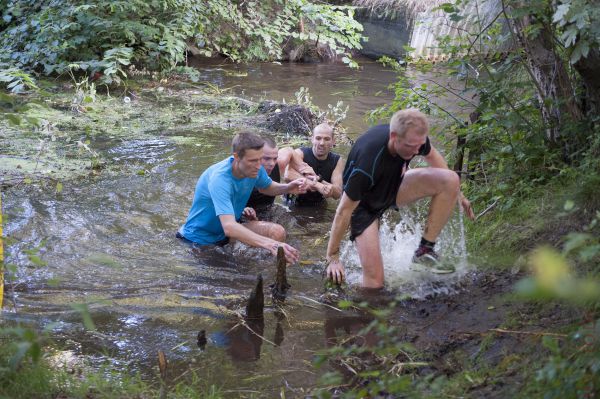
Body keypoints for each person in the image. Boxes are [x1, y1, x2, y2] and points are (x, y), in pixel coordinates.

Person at [325, 109, 475, 288]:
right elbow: (344, 211)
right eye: (411, 146)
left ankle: (424, 251)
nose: (416, 150)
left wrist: (459, 195)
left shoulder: (415, 138)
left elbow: (433, 156)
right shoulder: (367, 163)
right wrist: (332, 256)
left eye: (419, 145)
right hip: (363, 205)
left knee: (451, 180)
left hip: (394, 186)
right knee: (375, 284)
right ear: (394, 136)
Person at [178, 132, 308, 264]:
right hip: (199, 240)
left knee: (276, 232)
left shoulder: (255, 168)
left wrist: (288, 187)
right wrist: (271, 244)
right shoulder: (220, 179)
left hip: (226, 234)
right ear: (236, 157)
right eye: (253, 161)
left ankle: (272, 272)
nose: (259, 165)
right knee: (234, 279)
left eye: (260, 159)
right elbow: (229, 226)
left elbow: (266, 187)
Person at [278, 123, 345, 206]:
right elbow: (287, 175)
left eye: (327, 139)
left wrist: (320, 180)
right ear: (312, 139)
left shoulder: (337, 160)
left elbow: (338, 194)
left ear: (333, 141)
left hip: (318, 203)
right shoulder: (300, 153)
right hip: (292, 201)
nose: (322, 143)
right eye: (318, 138)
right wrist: (317, 185)